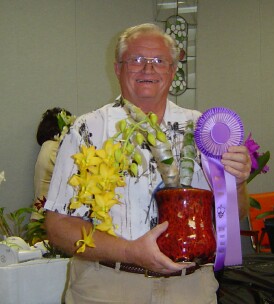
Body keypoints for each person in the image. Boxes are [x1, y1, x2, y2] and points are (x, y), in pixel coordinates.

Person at [45, 23, 251, 304]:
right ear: (118, 68)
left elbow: (230, 216)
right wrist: (129, 251)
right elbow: (58, 226)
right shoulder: (86, 130)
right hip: (106, 287)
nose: (148, 69)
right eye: (137, 60)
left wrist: (235, 183)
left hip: (191, 289)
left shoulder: (203, 128)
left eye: (159, 61)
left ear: (173, 71)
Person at [32, 107, 73, 220]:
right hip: (47, 220)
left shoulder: (47, 146)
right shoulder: (55, 149)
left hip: (40, 216)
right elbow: (74, 176)